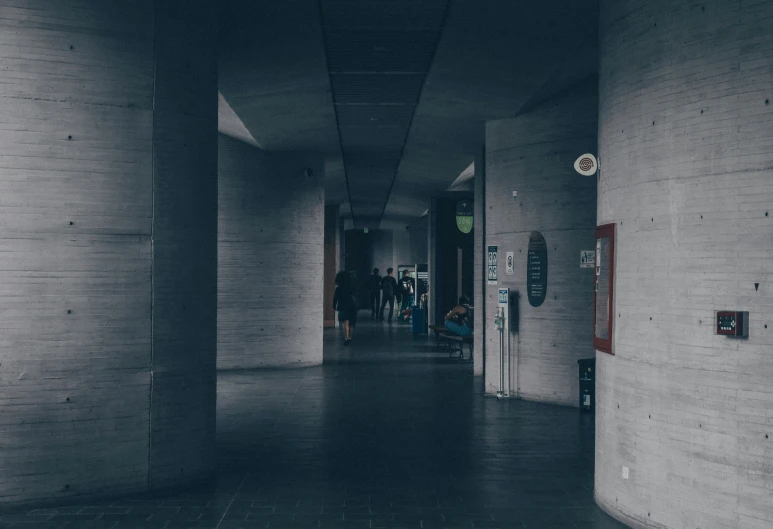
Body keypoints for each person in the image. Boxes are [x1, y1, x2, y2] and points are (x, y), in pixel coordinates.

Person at [333, 271, 357, 345]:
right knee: (350, 322)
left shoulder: (338, 288)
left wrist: (334, 305)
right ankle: (349, 337)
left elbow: (335, 298)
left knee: (345, 322)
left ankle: (346, 338)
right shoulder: (351, 286)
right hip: (351, 305)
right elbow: (355, 295)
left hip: (342, 305)